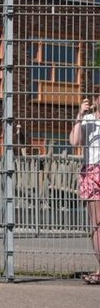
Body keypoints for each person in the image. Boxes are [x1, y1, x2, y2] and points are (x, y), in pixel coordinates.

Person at [69, 94, 100, 285]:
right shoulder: (89, 119)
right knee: (97, 223)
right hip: (92, 169)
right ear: (97, 99)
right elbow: (74, 141)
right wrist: (80, 115)